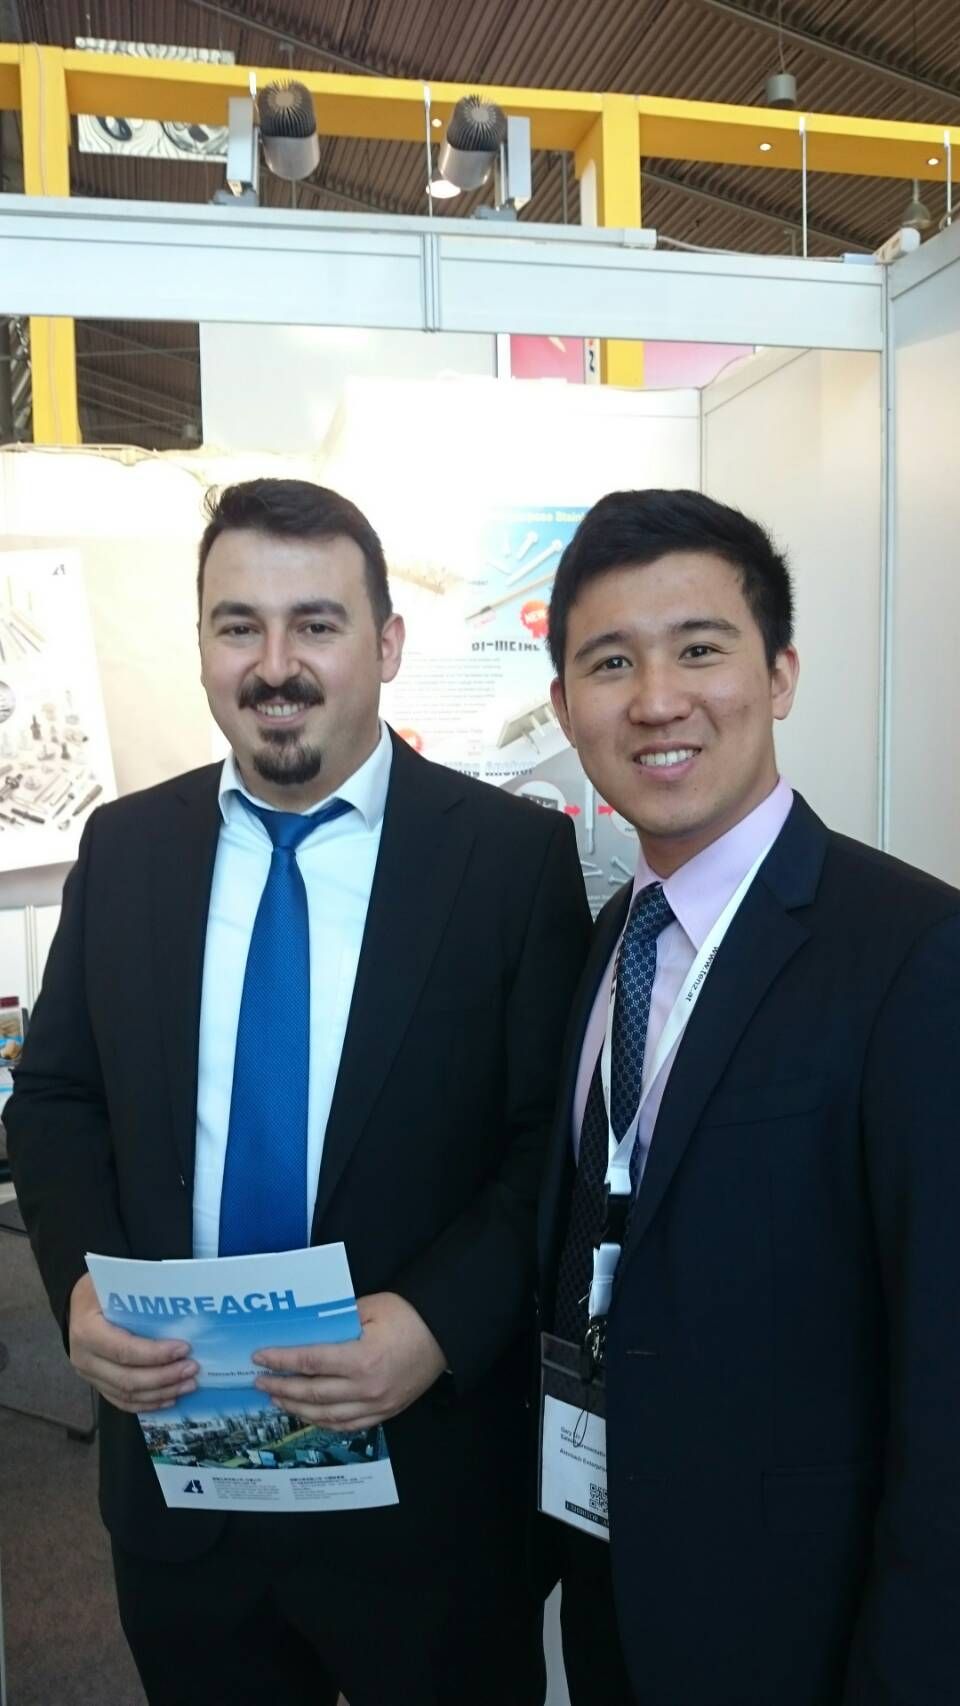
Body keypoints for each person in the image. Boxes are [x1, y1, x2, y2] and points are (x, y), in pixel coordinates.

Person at [6, 478, 591, 1706]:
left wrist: (437, 1322)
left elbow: (550, 1140)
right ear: (203, 643)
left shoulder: (508, 859)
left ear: (387, 643)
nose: (275, 665)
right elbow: (56, 1098)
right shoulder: (127, 847)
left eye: (316, 623)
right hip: (183, 1489)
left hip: (426, 1494)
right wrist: (78, 1288)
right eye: (240, 625)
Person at [536, 488, 960, 1706]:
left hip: (804, 1627)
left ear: (779, 675)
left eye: (700, 649)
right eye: (611, 661)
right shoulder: (610, 935)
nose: (656, 699)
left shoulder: (911, 952)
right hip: (617, 1583)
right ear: (564, 704)